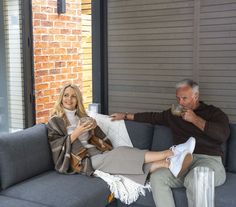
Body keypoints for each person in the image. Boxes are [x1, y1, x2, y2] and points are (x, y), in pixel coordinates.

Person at [47, 83, 195, 193]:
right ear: (61, 98)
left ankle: (169, 164)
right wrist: (77, 132)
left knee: (125, 165)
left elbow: (99, 139)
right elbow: (57, 147)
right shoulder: (55, 120)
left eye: (73, 96)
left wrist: (93, 128)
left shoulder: (83, 116)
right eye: (66, 95)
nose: (69, 99)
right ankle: (172, 152)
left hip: (98, 154)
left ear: (78, 99)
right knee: (122, 152)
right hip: (83, 161)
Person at [111, 79, 230, 207]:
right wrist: (125, 116)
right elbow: (152, 117)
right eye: (178, 98)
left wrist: (195, 119)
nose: (180, 102)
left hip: (209, 161)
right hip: (181, 161)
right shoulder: (174, 114)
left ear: (196, 96)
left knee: (194, 180)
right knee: (157, 177)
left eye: (184, 98)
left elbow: (223, 135)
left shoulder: (214, 113)